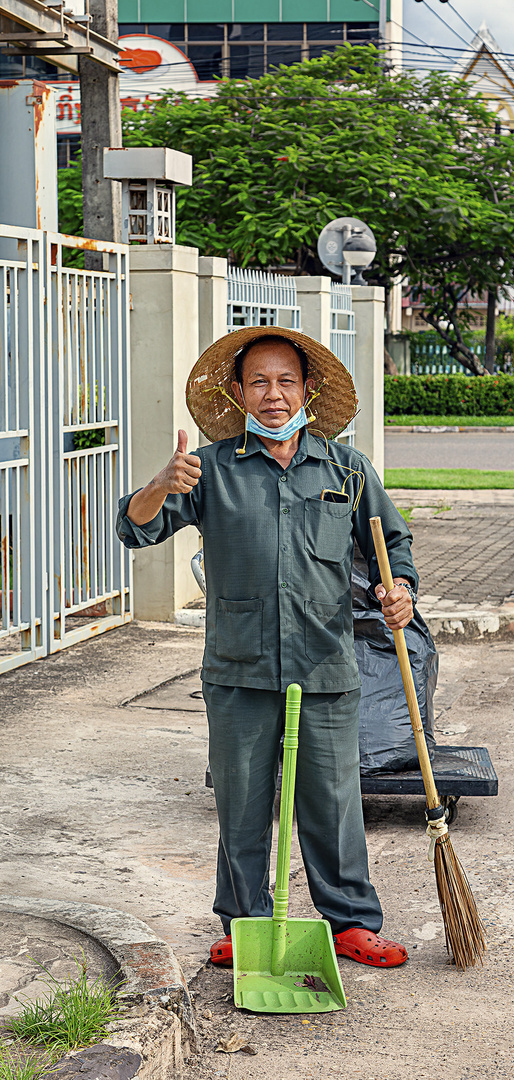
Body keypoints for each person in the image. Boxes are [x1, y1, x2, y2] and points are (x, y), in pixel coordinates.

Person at [117, 326, 420, 969]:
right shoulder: (210, 469)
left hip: (325, 664)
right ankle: (243, 923)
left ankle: (351, 924)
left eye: (286, 381)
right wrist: (159, 486)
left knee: (333, 805)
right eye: (259, 381)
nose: (274, 394)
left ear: (307, 389)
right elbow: (133, 529)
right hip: (239, 667)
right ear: (238, 391)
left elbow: (392, 548)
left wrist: (402, 595)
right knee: (242, 804)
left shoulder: (346, 469)